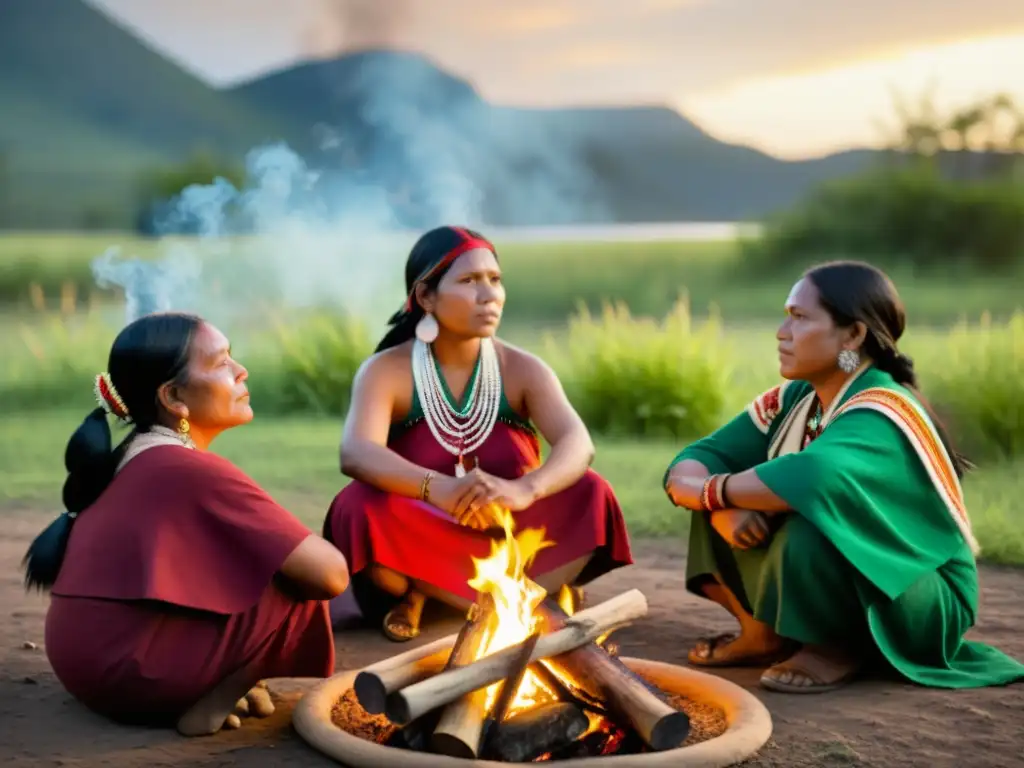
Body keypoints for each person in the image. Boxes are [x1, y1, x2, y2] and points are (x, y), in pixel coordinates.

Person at [664, 260, 1024, 694]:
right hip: (869, 577)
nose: (782, 331)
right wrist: (716, 505)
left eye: (799, 318)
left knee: (806, 524)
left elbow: (814, 476)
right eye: (786, 316)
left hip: (919, 594)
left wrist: (709, 492)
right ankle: (762, 634)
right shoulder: (797, 398)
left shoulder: (883, 406)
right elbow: (701, 455)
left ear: (853, 335)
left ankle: (831, 648)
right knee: (725, 499)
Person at [23, 312, 350, 735]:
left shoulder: (129, 452)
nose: (241, 370)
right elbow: (331, 574)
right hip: (130, 675)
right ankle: (212, 700)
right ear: (174, 396)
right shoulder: (188, 469)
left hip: (83, 663)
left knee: (244, 555)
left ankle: (212, 679)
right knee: (290, 570)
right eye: (220, 364)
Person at [323, 225, 633, 641]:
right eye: (469, 281)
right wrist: (439, 490)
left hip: (510, 520)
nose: (489, 294)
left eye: (495, 280)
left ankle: (446, 595)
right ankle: (519, 597)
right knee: (358, 504)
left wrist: (527, 489)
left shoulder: (522, 368)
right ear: (425, 296)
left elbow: (578, 443)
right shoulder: (386, 370)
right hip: (426, 522)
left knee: (592, 491)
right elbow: (357, 452)